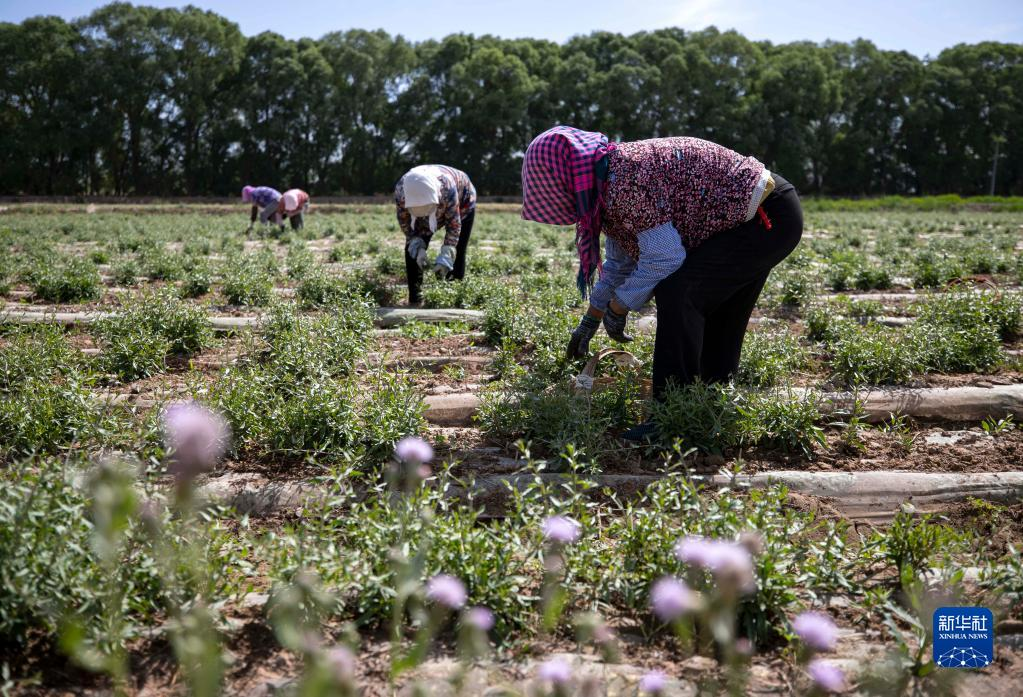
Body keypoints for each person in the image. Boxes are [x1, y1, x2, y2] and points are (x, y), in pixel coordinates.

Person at [520, 125, 802, 441]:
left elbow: (663, 259)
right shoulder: (607, 185)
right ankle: (710, 407)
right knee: (713, 305)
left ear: (566, 176)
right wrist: (592, 318)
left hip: (766, 214)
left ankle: (669, 419)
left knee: (679, 290)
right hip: (757, 215)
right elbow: (620, 265)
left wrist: (620, 305)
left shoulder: (623, 184)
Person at [394, 165, 476, 306]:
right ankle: (415, 299)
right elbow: (406, 224)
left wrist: (446, 254)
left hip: (463, 201)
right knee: (411, 250)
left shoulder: (447, 189)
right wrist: (416, 244)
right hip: (423, 211)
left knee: (459, 249)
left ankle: (453, 298)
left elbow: (454, 226)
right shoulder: (402, 193)